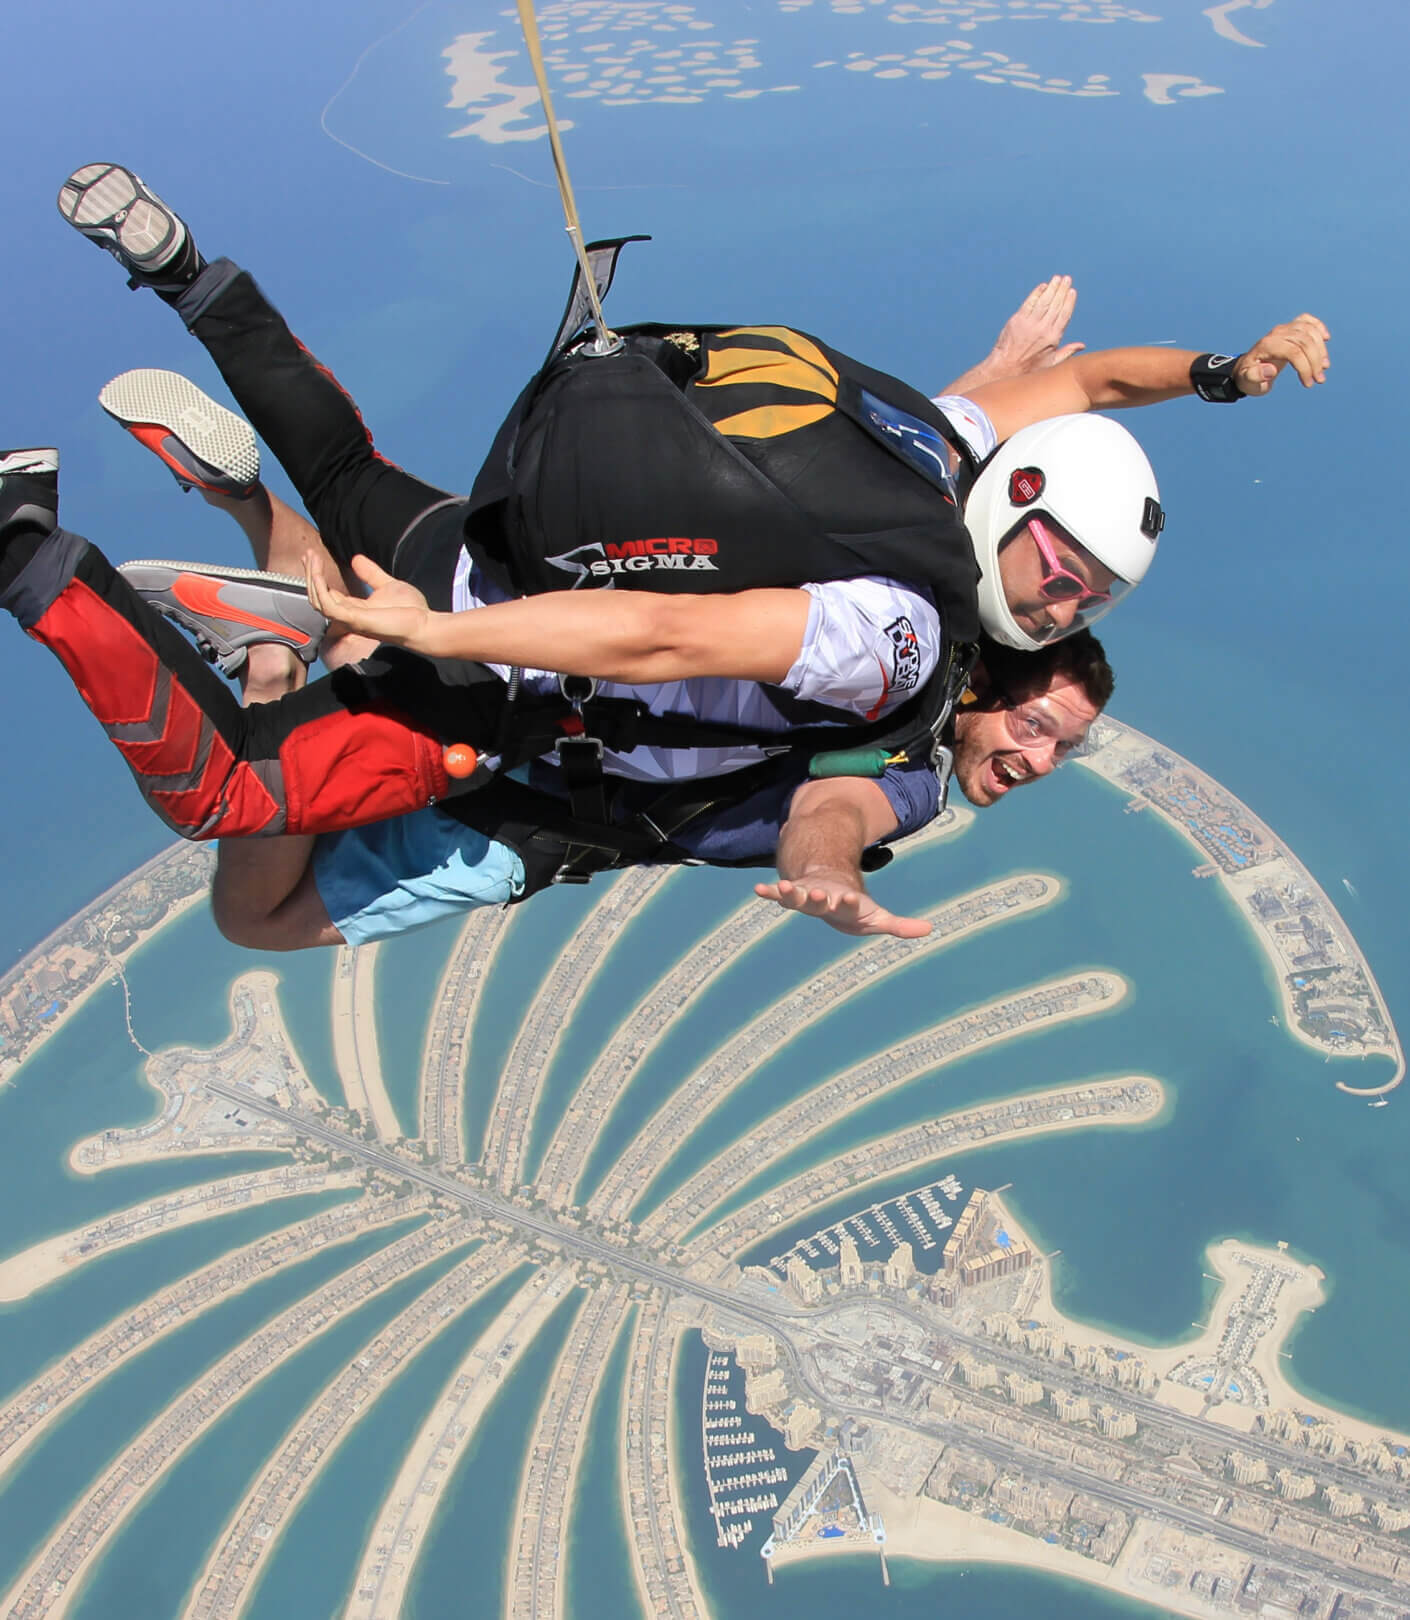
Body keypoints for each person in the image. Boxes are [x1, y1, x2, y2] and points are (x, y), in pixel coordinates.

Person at [0, 165, 1327, 862]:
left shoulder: (933, 441)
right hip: (501, 687)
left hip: (504, 526)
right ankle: (32, 552)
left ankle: (187, 275)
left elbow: (1081, 379)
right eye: (1063, 571)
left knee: (342, 467)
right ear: (1018, 510)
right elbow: (658, 640)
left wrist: (1225, 372)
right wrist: (435, 641)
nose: (1064, 597)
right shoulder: (896, 632)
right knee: (229, 796)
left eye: (1089, 597)